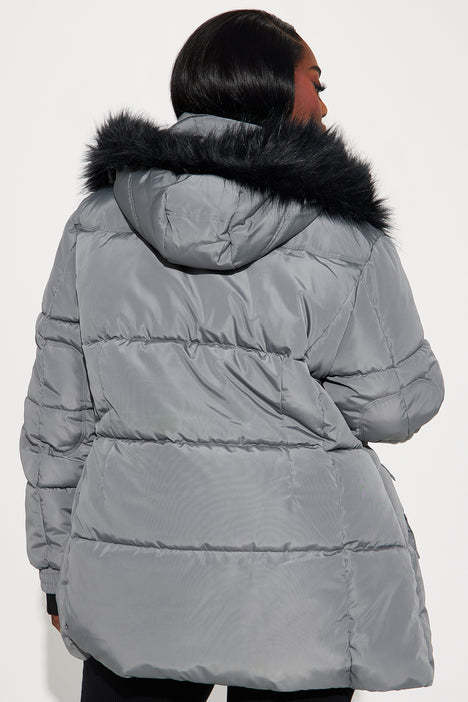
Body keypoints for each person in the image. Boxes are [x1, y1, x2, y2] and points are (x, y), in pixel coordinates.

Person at [19, 9, 444, 702]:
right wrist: (289, 392)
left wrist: (55, 572)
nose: (323, 105)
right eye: (315, 82)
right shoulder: (342, 232)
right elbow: (398, 406)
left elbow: (56, 421)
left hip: (135, 579)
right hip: (301, 582)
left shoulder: (97, 224)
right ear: (267, 84)